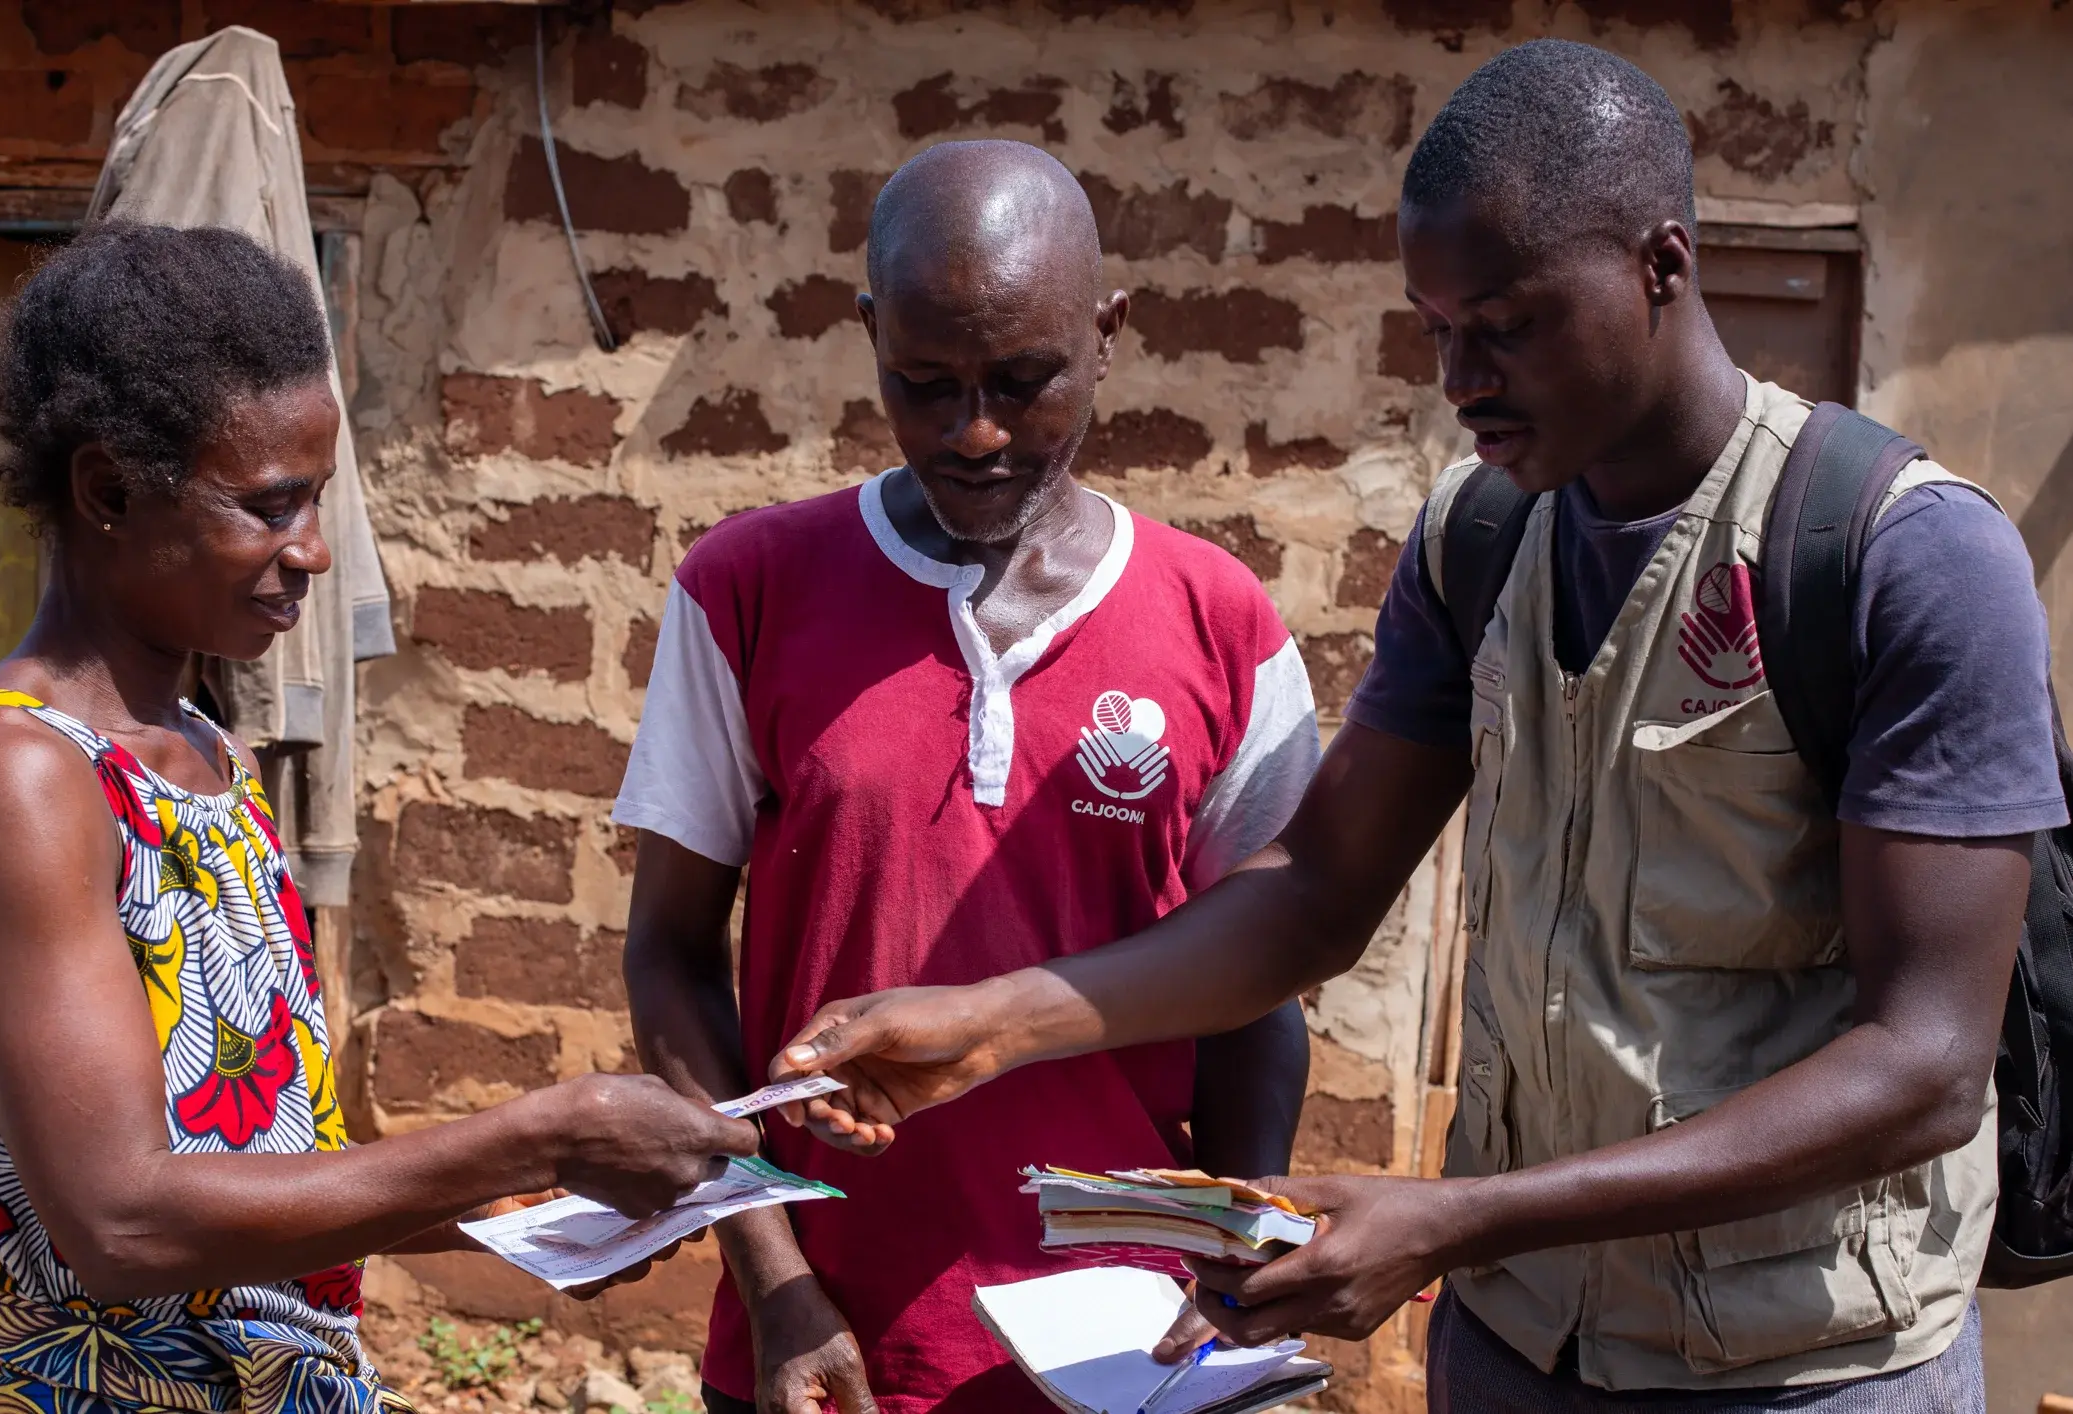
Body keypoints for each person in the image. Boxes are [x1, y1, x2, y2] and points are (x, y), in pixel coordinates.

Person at [765, 42, 2064, 1413]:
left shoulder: (1896, 557)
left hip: (1806, 1367)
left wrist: (1456, 1218)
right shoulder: (1482, 536)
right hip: (1518, 1348)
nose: (1462, 377)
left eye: (1504, 323)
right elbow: (1318, 891)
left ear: (1661, 266)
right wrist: (992, 1024)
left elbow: (1923, 1068)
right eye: (1438, 328)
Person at [0, 223, 760, 1414]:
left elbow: (267, 1177)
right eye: (269, 507)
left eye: (316, 501)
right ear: (110, 490)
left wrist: (527, 1222)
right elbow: (121, 1217)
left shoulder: (209, 754)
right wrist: (543, 1131)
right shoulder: (16, 775)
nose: (313, 552)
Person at [611, 139, 1320, 1414]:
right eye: (925, 383)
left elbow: (1260, 994)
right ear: (871, 334)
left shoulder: (1221, 621)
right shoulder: (748, 590)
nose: (976, 430)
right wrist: (773, 1279)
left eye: (1025, 379)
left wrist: (1233, 1275)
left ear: (1109, 335)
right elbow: (667, 952)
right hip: (828, 1349)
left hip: (1131, 1354)